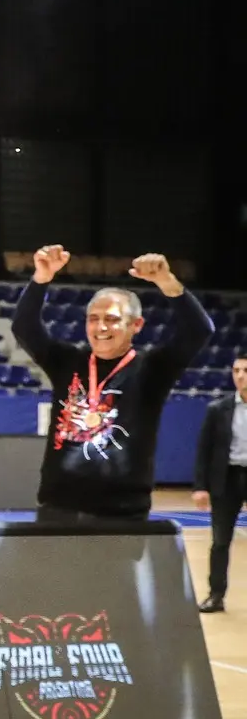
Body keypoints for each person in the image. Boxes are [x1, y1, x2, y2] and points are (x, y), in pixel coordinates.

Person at [13, 245, 210, 523]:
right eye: (93, 319)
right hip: (58, 506)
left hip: (123, 512)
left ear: (136, 325)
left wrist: (167, 282)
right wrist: (41, 278)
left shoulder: (152, 369)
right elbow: (24, 327)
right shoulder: (66, 362)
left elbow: (199, 330)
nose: (101, 328)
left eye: (112, 319)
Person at [191, 355, 247, 614]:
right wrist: (200, 486)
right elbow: (204, 450)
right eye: (236, 370)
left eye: (245, 370)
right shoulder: (218, 409)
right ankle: (215, 595)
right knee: (220, 541)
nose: (240, 376)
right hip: (227, 479)